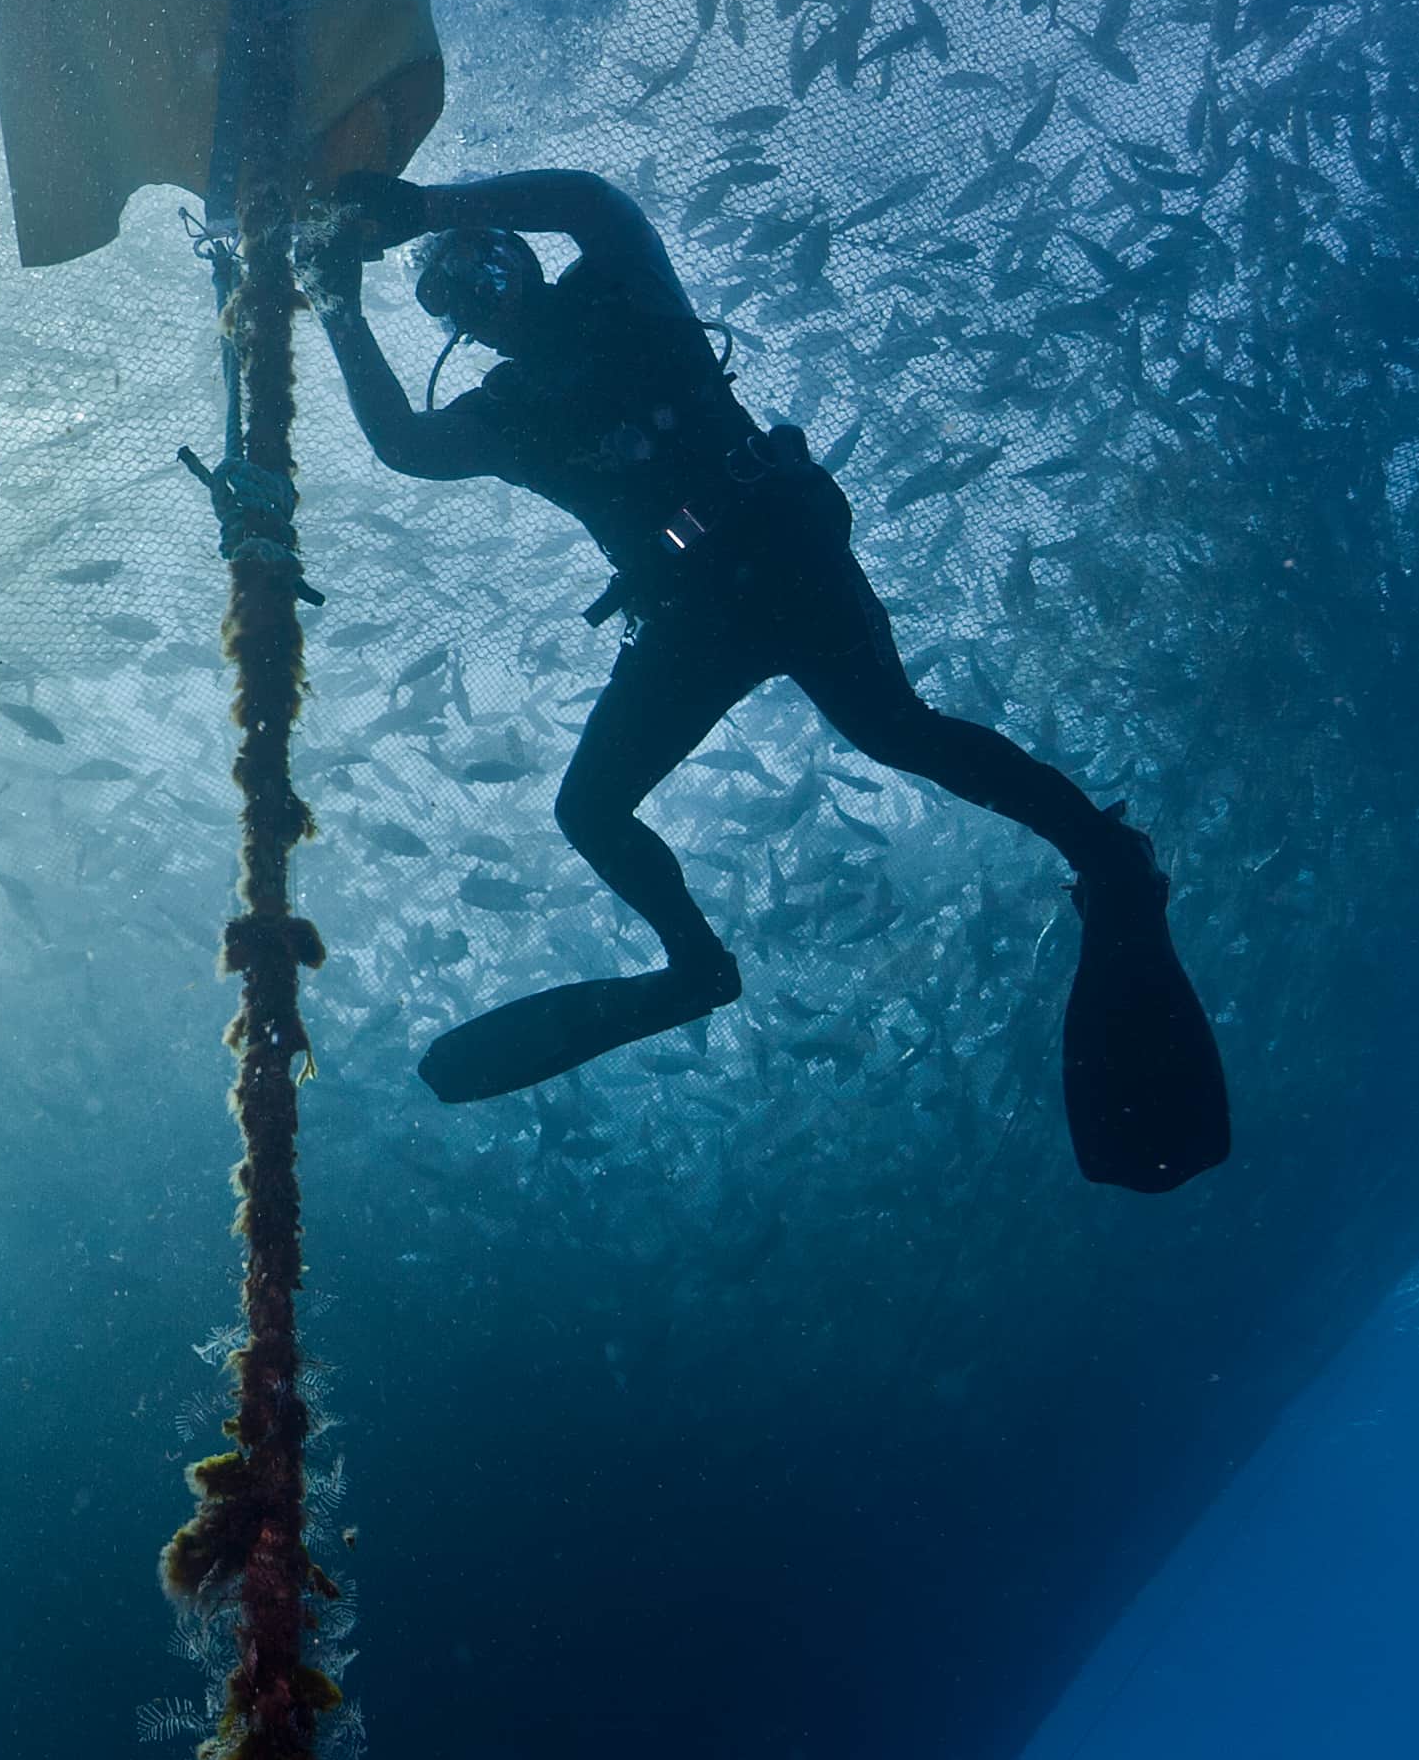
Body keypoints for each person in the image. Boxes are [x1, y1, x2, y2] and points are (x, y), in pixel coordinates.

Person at [312, 165, 1226, 1184]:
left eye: (484, 264)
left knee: (895, 731)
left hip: (783, 554)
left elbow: (588, 202)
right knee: (591, 810)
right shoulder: (507, 411)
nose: (478, 294)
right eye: (448, 296)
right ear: (456, 331)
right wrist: (336, 303)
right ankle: (695, 967)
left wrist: (426, 209)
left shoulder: (623, 291)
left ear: (519, 254)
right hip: (693, 616)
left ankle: (1104, 853)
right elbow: (401, 443)